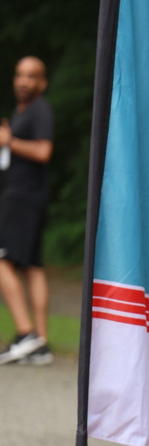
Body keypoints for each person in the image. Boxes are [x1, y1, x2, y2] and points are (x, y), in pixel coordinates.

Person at [0, 55, 55, 365]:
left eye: (31, 76)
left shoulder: (39, 109)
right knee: (33, 266)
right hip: (27, 196)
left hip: (22, 198)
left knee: (1, 260)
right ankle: (41, 344)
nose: (23, 81)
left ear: (42, 83)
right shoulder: (20, 111)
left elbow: (44, 151)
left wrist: (9, 140)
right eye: (20, 74)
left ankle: (25, 333)